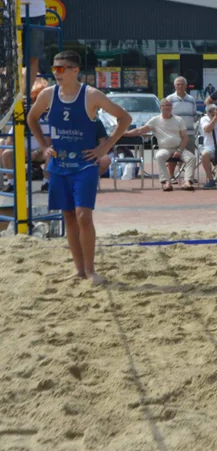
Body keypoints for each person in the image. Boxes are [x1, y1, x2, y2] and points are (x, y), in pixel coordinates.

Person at [26, 50, 131, 286]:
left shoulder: (91, 95)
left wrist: (104, 148)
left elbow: (125, 118)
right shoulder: (48, 94)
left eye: (61, 68)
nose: (56, 72)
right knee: (68, 216)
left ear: (75, 70)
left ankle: (91, 270)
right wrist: (44, 146)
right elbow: (31, 119)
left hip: (84, 164)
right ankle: (79, 270)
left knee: (83, 215)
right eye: (54, 68)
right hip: (59, 163)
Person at [122, 99, 197, 191]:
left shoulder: (178, 120)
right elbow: (140, 130)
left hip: (179, 148)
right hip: (165, 149)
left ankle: (187, 182)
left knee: (191, 158)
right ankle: (166, 182)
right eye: (165, 105)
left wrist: (179, 150)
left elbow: (185, 138)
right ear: (161, 107)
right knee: (159, 156)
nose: (168, 107)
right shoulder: (155, 120)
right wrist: (123, 133)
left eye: (169, 105)